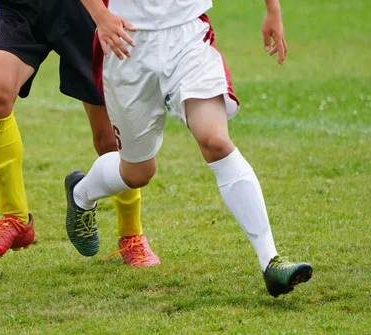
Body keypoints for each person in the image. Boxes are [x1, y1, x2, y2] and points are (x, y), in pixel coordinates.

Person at [65, 0, 313, 296]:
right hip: (126, 41)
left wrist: (273, 10)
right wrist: (100, 15)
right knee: (138, 172)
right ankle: (82, 193)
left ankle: (270, 261)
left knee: (216, 140)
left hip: (188, 37)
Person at [0, 0, 160, 266]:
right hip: (23, 7)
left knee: (109, 139)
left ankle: (131, 234)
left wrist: (101, 16)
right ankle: (15, 218)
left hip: (86, 12)